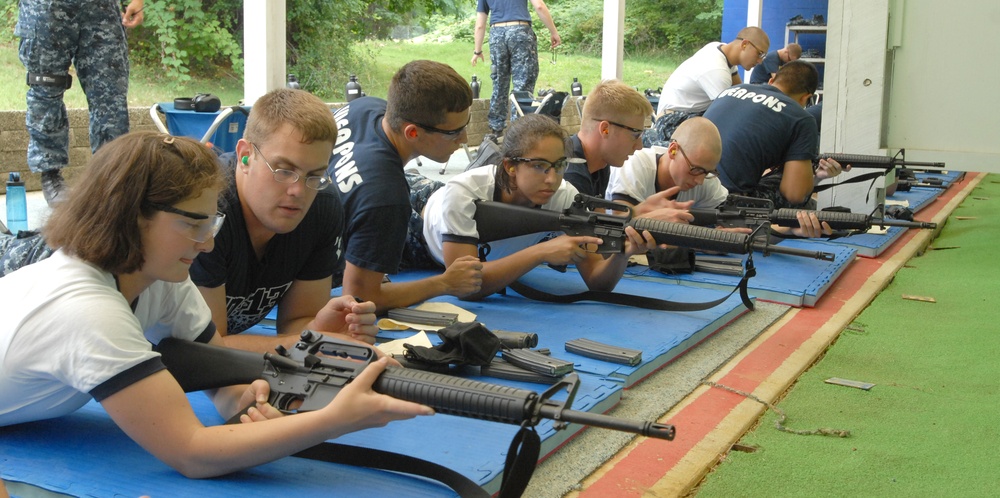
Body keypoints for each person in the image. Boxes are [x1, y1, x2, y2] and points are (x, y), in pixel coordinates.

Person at [0, 131, 432, 477]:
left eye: (213, 221)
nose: (207, 243)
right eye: (192, 223)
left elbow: (220, 374)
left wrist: (256, 403)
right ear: (128, 216)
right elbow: (192, 453)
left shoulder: (160, 276)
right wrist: (338, 418)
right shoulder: (87, 311)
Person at [189, 88, 378, 354]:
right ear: (245, 156)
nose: (298, 191)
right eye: (284, 170)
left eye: (314, 174)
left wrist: (322, 331)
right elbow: (208, 347)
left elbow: (295, 323)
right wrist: (309, 342)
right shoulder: (207, 210)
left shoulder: (321, 205)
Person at [411, 114, 657, 301]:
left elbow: (597, 282)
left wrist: (621, 255)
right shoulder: (465, 192)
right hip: (415, 223)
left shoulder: (565, 197)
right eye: (539, 166)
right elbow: (465, 286)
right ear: (510, 166)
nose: (552, 178)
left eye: (559, 165)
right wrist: (540, 252)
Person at [328, 60, 483, 314]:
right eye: (454, 132)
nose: (464, 139)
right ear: (412, 133)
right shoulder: (387, 200)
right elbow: (359, 297)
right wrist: (445, 282)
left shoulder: (364, 107)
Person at [608, 117, 833, 238]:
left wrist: (790, 230)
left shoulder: (706, 182)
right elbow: (618, 224)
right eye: (695, 169)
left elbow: (742, 228)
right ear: (673, 150)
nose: (699, 180)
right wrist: (702, 237)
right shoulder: (636, 163)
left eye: (708, 171)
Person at [16, 0, 145, 206]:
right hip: (48, 8)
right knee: (47, 90)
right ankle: (51, 176)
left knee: (110, 98)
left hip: (101, 9)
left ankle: (110, 178)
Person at [704, 60, 847, 210]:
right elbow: (795, 195)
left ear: (771, 81)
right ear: (806, 97)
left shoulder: (731, 90)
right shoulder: (801, 118)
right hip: (724, 202)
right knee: (797, 191)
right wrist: (814, 176)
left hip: (691, 184)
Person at [471, 0, 561, 139]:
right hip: (520, 32)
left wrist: (477, 51)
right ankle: (517, 132)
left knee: (499, 83)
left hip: (496, 35)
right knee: (523, 84)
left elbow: (480, 24)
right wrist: (554, 32)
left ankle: (495, 130)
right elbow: (539, 6)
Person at [563, 80, 652, 199]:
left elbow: (598, 214)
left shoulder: (600, 163)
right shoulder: (570, 175)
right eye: (635, 134)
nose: (639, 146)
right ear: (605, 129)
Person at [655, 26, 770, 117]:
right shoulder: (717, 69)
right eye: (760, 54)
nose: (760, 61)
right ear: (744, 44)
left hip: (689, 114)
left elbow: (740, 93)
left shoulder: (721, 49)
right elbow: (730, 111)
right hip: (671, 119)